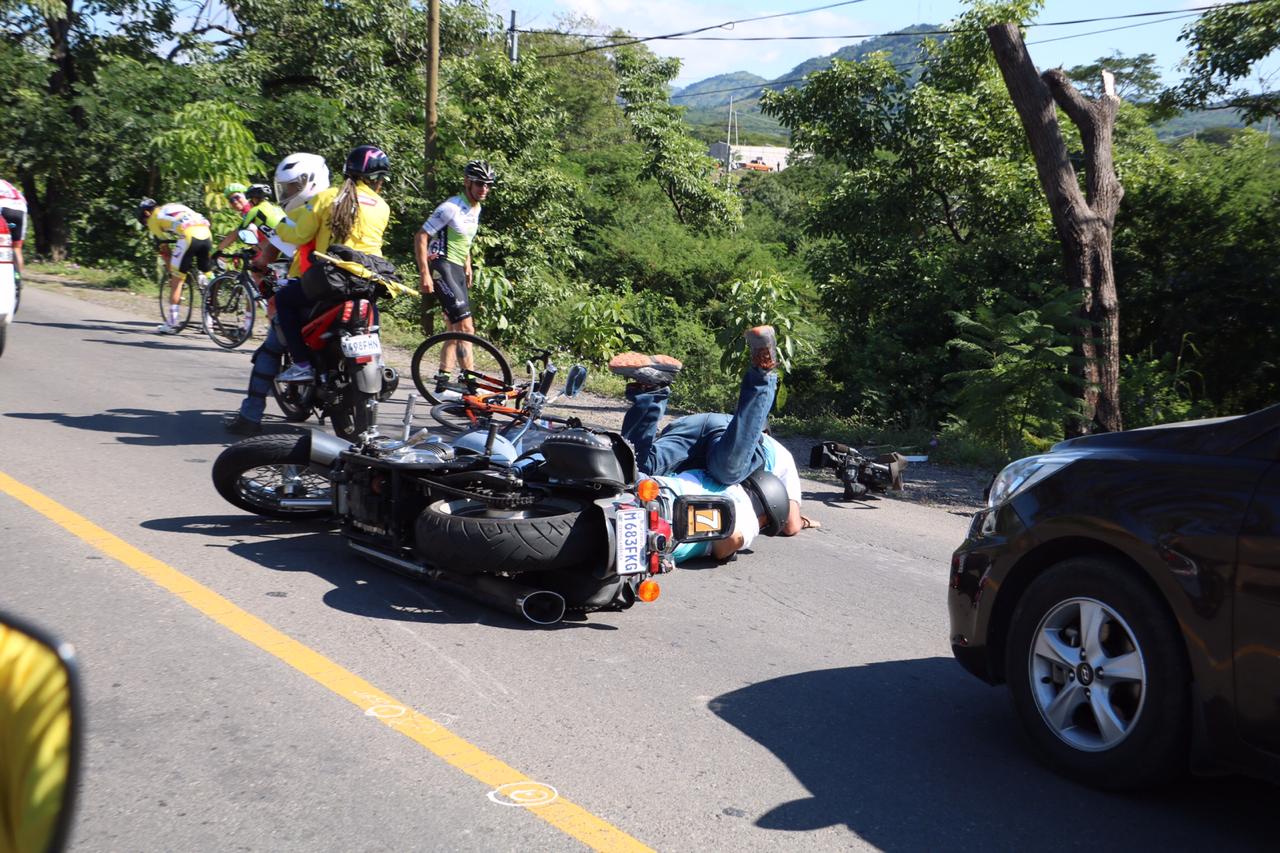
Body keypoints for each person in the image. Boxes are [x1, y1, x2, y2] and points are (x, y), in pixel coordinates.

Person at [611, 325, 815, 536]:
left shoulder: (761, 445)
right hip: (721, 431)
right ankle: (763, 372)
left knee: (636, 465)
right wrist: (803, 520)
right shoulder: (780, 455)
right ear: (762, 435)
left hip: (691, 426)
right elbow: (790, 524)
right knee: (727, 470)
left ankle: (652, 389)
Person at [223, 153, 330, 436]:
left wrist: (259, 263)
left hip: (310, 286)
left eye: (294, 187)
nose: (289, 193)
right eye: (288, 188)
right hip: (353, 285)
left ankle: (250, 415)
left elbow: (273, 246)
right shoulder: (344, 205)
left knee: (271, 346)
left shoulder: (302, 213)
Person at [269, 144, 391, 383]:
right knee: (370, 312)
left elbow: (300, 235)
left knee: (284, 300)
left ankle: (302, 363)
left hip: (330, 278)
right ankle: (379, 361)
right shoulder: (382, 206)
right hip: (369, 277)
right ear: (379, 180)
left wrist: (280, 225)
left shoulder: (327, 197)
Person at [415, 159, 496, 385]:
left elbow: (464, 240)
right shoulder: (450, 207)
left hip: (457, 267)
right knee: (466, 327)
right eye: (480, 184)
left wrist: (467, 264)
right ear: (467, 182)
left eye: (488, 185)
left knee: (453, 325)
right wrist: (424, 274)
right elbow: (421, 236)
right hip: (441, 266)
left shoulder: (476, 208)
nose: (484, 189)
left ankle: (443, 377)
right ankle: (469, 380)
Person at [137, 198, 213, 334]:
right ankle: (209, 322)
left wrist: (173, 271)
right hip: (206, 234)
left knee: (177, 280)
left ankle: (171, 323)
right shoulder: (171, 206)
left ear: (147, 213)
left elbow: (164, 249)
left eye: (144, 221)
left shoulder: (153, 219)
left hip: (189, 236)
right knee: (208, 277)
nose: (146, 223)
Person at [0, 180, 28, 296]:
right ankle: (18, 279)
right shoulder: (7, 184)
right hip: (20, 210)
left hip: (4, 208)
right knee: (17, 248)